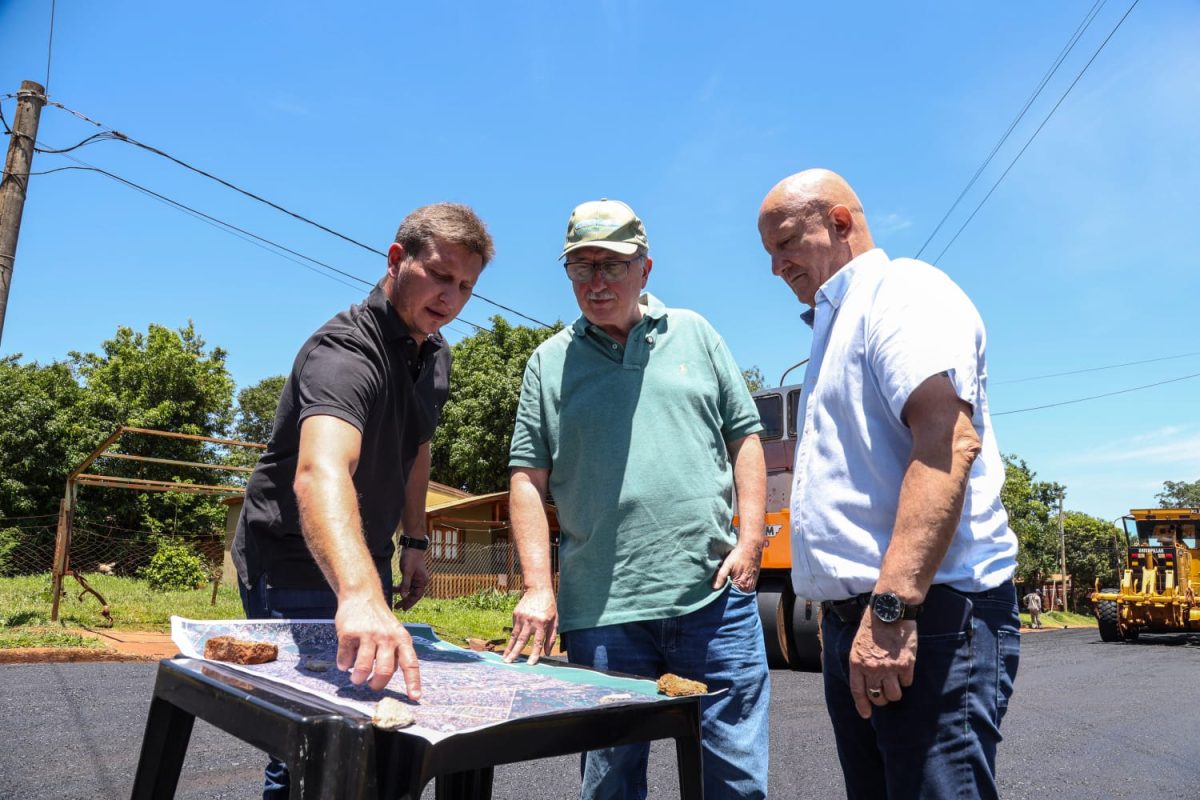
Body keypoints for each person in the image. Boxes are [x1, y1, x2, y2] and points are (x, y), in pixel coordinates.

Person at [758, 169, 1020, 800]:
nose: (777, 266)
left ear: (840, 223)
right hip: (871, 619)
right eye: (770, 253)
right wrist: (838, 606)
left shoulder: (902, 293)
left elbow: (946, 442)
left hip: (923, 615)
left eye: (787, 242)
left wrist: (890, 607)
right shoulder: (837, 323)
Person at [503, 198, 771, 800]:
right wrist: (539, 586)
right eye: (582, 267)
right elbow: (527, 478)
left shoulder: (696, 334)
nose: (597, 282)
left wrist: (751, 538)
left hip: (714, 599)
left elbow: (745, 438)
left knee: (734, 781)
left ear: (644, 269)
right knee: (609, 784)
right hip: (604, 610)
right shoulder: (548, 363)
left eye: (613, 266)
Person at [231, 202, 493, 798]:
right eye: (441, 275)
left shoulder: (435, 354)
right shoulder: (345, 350)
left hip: (369, 554)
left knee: (371, 724)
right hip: (293, 555)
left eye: (466, 287)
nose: (451, 297)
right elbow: (319, 471)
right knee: (311, 736)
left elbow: (416, 447)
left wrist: (416, 543)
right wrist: (359, 596)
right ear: (397, 259)